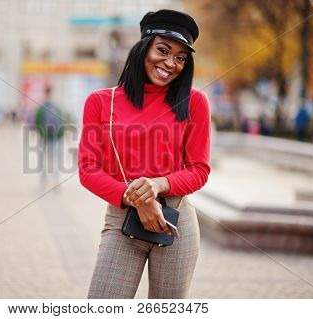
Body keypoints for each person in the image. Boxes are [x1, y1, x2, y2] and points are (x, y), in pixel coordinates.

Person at [78, 9, 211, 299]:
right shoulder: (102, 102)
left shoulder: (195, 102)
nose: (170, 63)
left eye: (180, 57)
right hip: (121, 220)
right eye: (162, 50)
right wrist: (136, 199)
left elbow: (199, 169)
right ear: (142, 49)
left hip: (176, 224)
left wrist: (157, 185)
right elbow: (88, 170)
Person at [34, 85, 64, 187]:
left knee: (43, 161)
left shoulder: (41, 107)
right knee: (55, 160)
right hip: (54, 138)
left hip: (45, 138)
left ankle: (43, 181)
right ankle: (56, 181)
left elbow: (36, 122)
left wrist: (42, 133)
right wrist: (59, 135)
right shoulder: (56, 107)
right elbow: (62, 122)